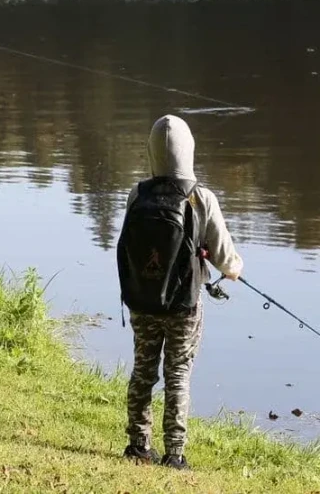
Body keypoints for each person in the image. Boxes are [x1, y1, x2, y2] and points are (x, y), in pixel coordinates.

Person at [117, 115, 243, 471]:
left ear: (152, 151)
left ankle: (138, 445)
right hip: (184, 305)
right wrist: (233, 270)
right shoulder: (200, 197)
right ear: (188, 150)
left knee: (143, 370)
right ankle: (175, 454)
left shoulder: (136, 193)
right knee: (178, 374)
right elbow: (225, 257)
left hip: (142, 299)